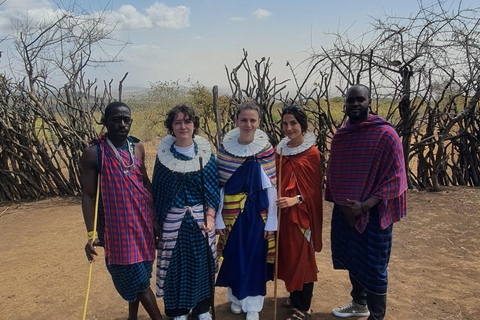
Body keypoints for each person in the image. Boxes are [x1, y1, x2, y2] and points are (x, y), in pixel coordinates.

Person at [325, 84, 407, 320]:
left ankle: (377, 316)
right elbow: (334, 175)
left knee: (374, 264)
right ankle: (359, 303)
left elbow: (396, 176)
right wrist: (345, 206)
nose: (355, 104)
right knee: (352, 258)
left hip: (375, 212)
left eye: (360, 99)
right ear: (345, 103)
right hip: (346, 210)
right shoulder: (341, 137)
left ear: (369, 101)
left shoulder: (386, 135)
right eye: (351, 100)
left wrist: (365, 205)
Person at [81, 101, 163, 320]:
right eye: (116, 119)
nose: (122, 124)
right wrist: (91, 234)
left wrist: (154, 217)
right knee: (136, 278)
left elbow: (145, 182)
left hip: (142, 223)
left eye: (126, 119)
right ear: (105, 122)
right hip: (117, 229)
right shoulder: (93, 153)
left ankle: (132, 317)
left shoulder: (137, 147)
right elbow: (88, 196)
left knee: (142, 275)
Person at [151, 104, 220, 320]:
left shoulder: (206, 157)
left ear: (194, 125)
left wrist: (210, 218)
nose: (183, 126)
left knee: (202, 263)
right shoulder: (163, 158)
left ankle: (202, 308)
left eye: (188, 121)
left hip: (200, 220)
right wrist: (158, 223)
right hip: (173, 221)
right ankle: (178, 311)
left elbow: (212, 192)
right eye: (178, 122)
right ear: (171, 127)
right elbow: (159, 192)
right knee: (175, 266)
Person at [215, 101, 277, 320]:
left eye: (252, 120)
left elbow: (271, 187)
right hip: (231, 214)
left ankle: (253, 305)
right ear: (236, 122)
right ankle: (235, 299)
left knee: (254, 257)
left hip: (257, 213)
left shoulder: (266, 149)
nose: (248, 124)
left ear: (258, 122)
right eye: (244, 120)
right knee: (233, 255)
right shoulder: (224, 149)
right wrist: (218, 220)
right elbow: (220, 186)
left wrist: (272, 221)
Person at [275, 105, 323, 320]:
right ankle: (294, 297)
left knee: (302, 255)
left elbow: (314, 189)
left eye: (293, 123)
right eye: (285, 123)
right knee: (288, 254)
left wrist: (295, 199)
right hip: (282, 214)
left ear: (302, 125)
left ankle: (304, 307)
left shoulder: (312, 153)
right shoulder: (281, 150)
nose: (289, 128)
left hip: (302, 214)